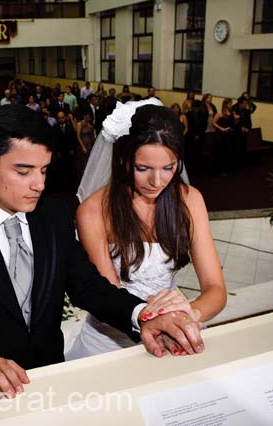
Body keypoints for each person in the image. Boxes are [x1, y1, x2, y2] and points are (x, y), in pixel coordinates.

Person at [0, 104, 205, 402]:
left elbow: (88, 286)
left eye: (44, 170)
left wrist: (142, 316)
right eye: (23, 171)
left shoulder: (55, 217)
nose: (39, 184)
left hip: (50, 383)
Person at [69, 101, 226, 359]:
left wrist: (189, 312)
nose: (157, 181)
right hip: (111, 340)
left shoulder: (190, 200)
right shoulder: (93, 211)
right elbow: (109, 295)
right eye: (143, 169)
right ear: (122, 158)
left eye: (168, 168)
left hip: (175, 329)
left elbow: (215, 289)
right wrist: (157, 318)